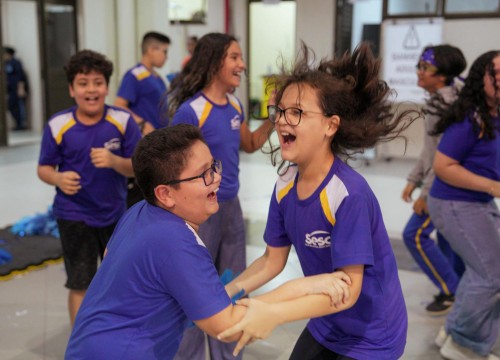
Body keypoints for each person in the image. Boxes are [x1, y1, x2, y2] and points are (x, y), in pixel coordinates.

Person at [65, 124, 353, 360]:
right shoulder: (177, 243)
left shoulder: (139, 212)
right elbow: (227, 326)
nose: (217, 178)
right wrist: (307, 285)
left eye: (214, 165)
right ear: (166, 194)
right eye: (204, 174)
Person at [217, 42, 416, 360]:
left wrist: (274, 312)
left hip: (372, 336)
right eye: (280, 111)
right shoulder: (284, 183)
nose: (282, 121)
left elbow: (348, 292)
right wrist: (225, 293)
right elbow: (272, 261)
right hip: (326, 322)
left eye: (296, 112)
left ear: (330, 125)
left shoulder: (347, 194)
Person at [168, 32, 274, 360]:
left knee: (233, 285)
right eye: (235, 57)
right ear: (214, 62)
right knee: (193, 289)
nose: (242, 65)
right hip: (198, 215)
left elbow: (250, 144)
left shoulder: (236, 105)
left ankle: (229, 354)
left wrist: (273, 118)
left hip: (230, 207)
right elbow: (171, 164)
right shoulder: (192, 110)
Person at [37, 49, 141, 326]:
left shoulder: (122, 121)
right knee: (80, 283)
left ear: (107, 87)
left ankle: (113, 336)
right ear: (72, 89)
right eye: (83, 83)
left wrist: (114, 161)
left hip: (115, 214)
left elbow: (137, 166)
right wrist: (58, 179)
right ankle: (82, 347)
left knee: (119, 281)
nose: (91, 90)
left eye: (98, 82)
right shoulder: (59, 125)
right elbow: (43, 168)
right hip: (74, 216)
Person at [428, 50, 500, 360]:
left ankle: (454, 329)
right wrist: (493, 186)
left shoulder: (494, 114)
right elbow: (443, 165)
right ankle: (464, 344)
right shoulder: (470, 116)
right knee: (491, 275)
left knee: (481, 270)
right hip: (455, 203)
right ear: (480, 77)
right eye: (496, 73)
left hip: (475, 203)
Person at [401, 45, 466, 316]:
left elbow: (443, 154)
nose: (419, 71)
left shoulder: (447, 104)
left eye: (425, 68)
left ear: (442, 75)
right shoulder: (442, 99)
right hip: (440, 181)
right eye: (419, 65)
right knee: (448, 239)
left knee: (414, 234)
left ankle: (452, 290)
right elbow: (430, 148)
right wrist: (414, 178)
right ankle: (458, 288)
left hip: (446, 185)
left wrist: (425, 193)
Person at [114, 31, 171, 207]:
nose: (166, 57)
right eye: (164, 51)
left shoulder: (157, 78)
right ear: (151, 49)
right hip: (143, 144)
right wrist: (141, 122)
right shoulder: (134, 75)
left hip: (159, 143)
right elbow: (119, 105)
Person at [3, 46, 28, 130]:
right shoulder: (5, 64)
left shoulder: (16, 63)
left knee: (19, 106)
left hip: (17, 89)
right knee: (11, 106)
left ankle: (21, 125)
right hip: (10, 90)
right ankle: (17, 124)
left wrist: (21, 88)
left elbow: (21, 76)